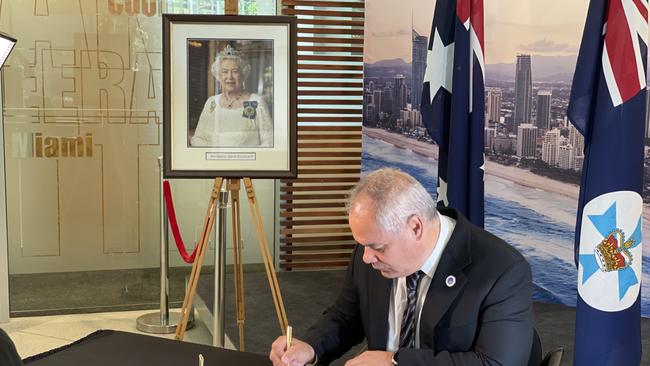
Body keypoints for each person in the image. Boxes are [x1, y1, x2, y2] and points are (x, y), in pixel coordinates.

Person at [269, 168, 533, 366]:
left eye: (378, 248)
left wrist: (395, 361)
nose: (366, 257)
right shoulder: (371, 248)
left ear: (416, 227)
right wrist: (311, 346)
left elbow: (495, 363)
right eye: (364, 246)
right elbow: (346, 316)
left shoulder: (502, 270)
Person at [190, 44, 273, 148]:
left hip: (247, 163)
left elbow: (269, 142)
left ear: (243, 75)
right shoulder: (211, 103)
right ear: (218, 76)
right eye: (225, 72)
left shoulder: (256, 102)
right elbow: (198, 138)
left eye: (235, 72)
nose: (229, 77)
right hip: (215, 163)